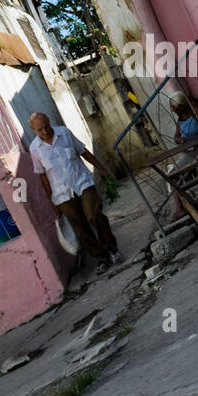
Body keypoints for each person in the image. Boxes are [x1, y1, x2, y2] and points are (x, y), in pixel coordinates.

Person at [28, 112, 123, 274]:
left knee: (94, 215)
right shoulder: (34, 149)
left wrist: (101, 168)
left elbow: (83, 152)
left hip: (82, 182)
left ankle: (112, 248)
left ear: (49, 122)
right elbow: (43, 177)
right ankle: (101, 257)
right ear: (34, 131)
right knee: (79, 227)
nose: (45, 131)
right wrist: (52, 201)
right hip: (61, 193)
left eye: (46, 127)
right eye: (40, 130)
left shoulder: (64, 133)